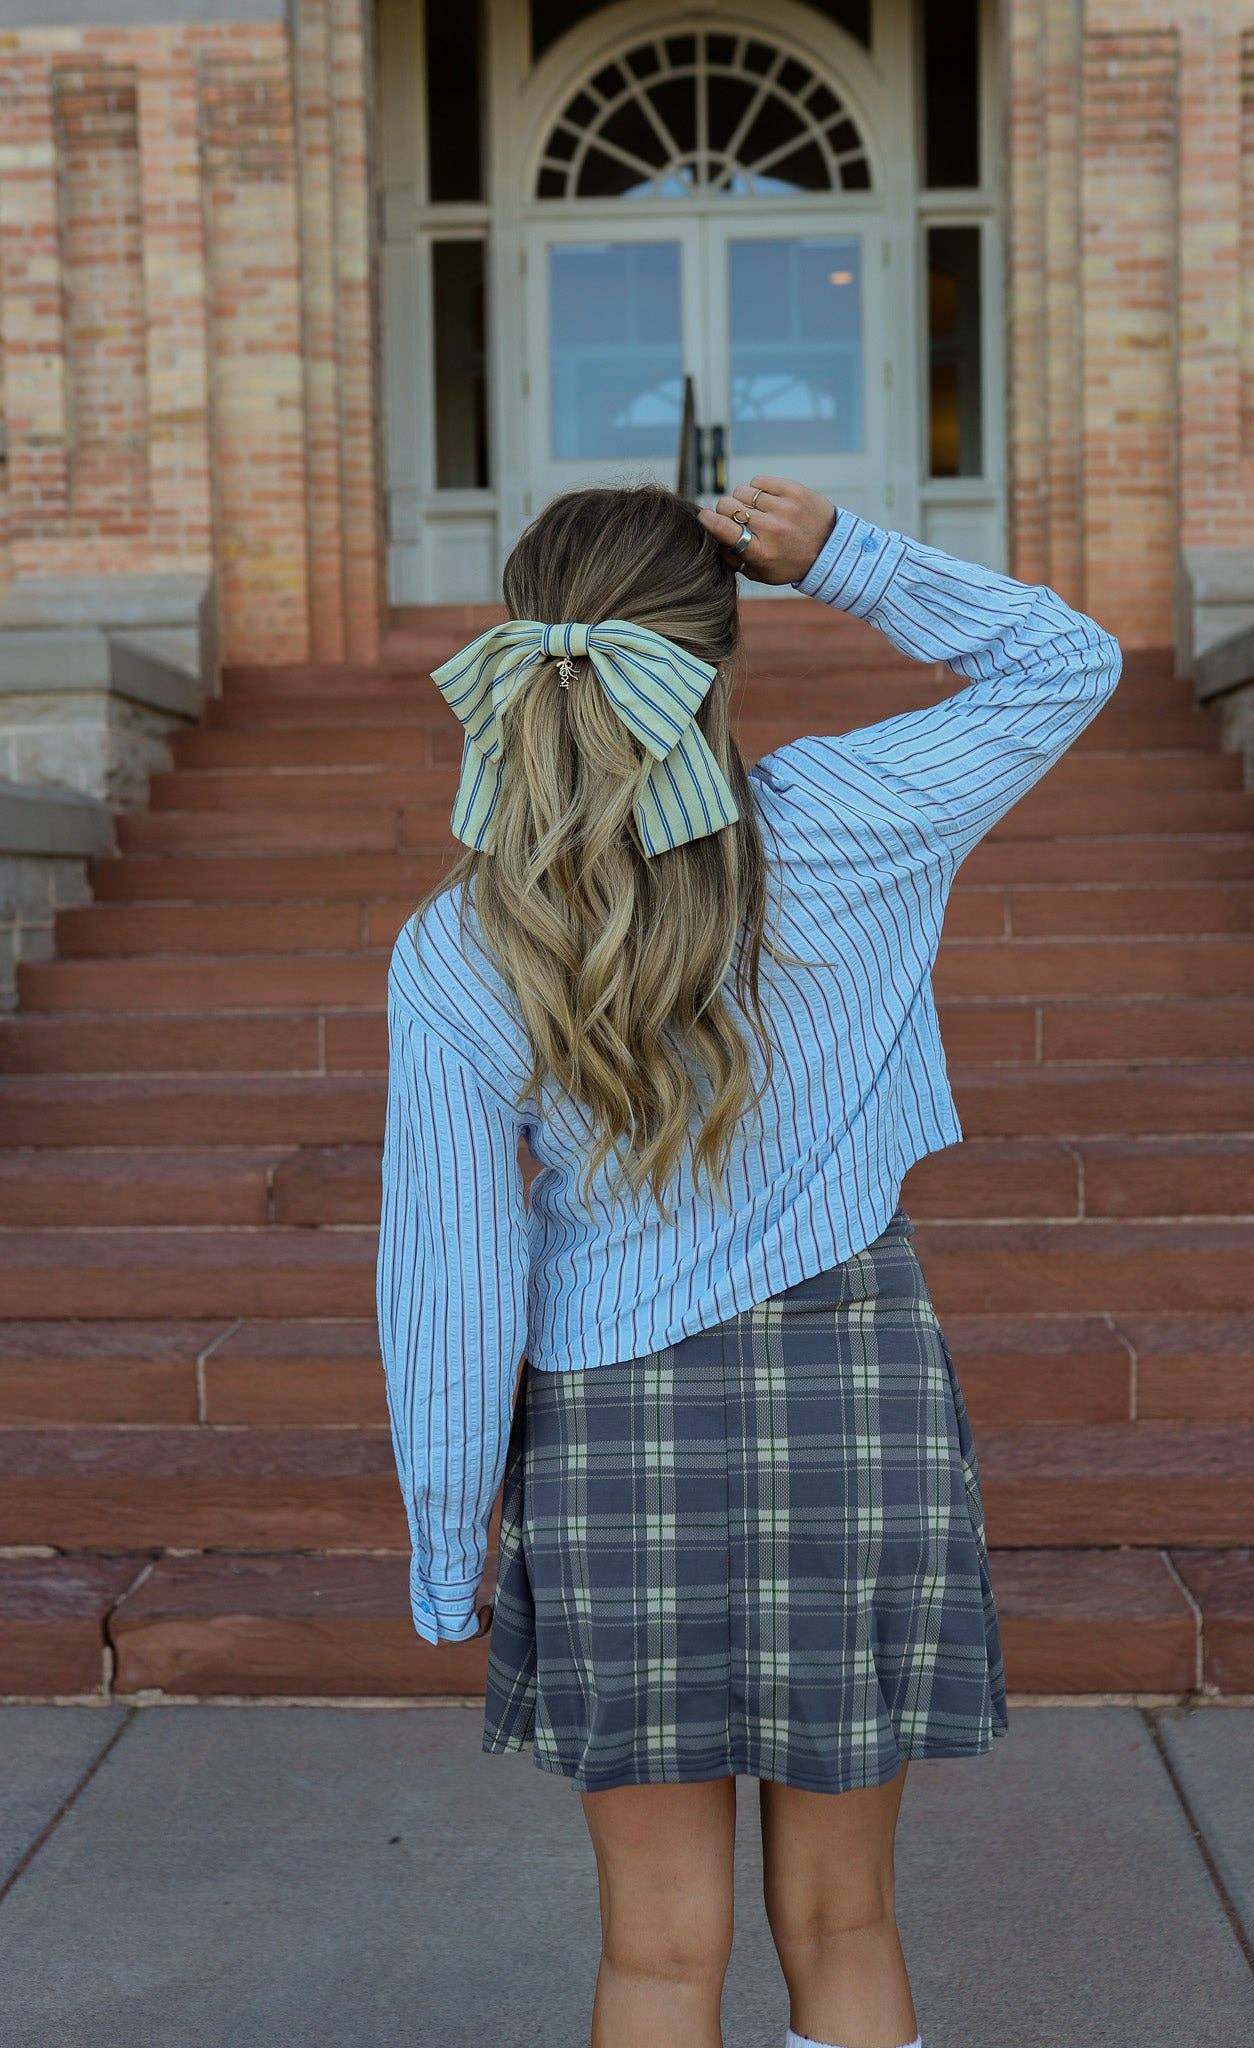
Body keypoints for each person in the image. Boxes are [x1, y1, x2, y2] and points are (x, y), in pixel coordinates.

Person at [376, 477, 1123, 2048]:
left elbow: (451, 1285)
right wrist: (843, 557)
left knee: (654, 1954)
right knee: (845, 1922)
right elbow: (1065, 664)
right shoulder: (850, 820)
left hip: (614, 1446)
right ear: (718, 654)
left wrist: (452, 1551)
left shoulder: (464, 942)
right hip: (855, 1410)